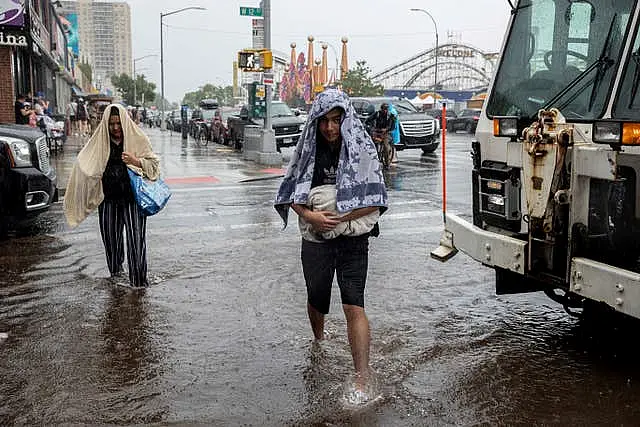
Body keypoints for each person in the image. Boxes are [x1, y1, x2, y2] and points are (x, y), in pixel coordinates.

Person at [274, 89, 388, 405]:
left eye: (336, 120)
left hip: (353, 240)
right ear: (316, 122)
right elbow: (291, 195)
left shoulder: (362, 151)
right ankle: (319, 340)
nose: (330, 128)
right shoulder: (308, 152)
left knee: (354, 303)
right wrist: (312, 216)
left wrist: (342, 218)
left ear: (346, 120)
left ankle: (362, 378)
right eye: (324, 121)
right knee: (317, 296)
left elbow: (377, 200)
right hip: (315, 239)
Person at [63, 104, 160, 287]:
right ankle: (117, 281)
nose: (115, 128)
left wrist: (136, 161)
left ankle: (139, 284)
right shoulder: (99, 141)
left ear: (124, 122)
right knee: (111, 242)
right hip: (108, 200)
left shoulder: (137, 138)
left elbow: (154, 167)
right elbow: (84, 163)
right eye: (111, 124)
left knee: (136, 243)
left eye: (118, 124)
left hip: (132, 200)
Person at [365, 103, 396, 167]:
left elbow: (392, 126)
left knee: (386, 146)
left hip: (386, 133)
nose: (385, 111)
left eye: (386, 109)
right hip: (377, 132)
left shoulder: (390, 116)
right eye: (384, 109)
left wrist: (386, 129)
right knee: (371, 144)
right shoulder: (377, 114)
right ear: (381, 109)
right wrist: (371, 127)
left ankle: (387, 164)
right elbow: (367, 120)